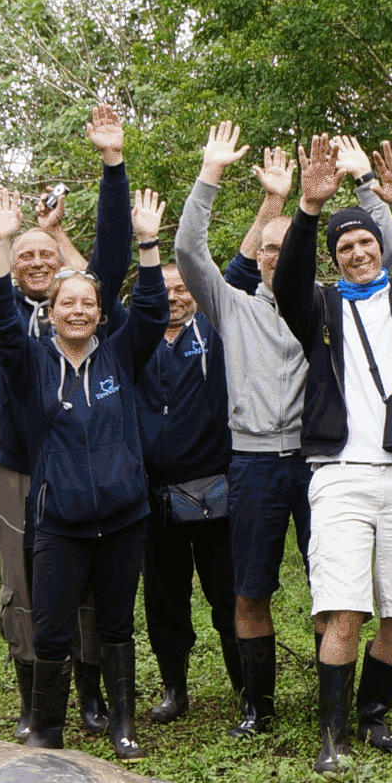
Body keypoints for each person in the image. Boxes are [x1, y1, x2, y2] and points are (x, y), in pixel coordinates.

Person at [174, 132, 392, 736]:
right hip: (251, 465)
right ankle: (258, 705)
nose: (277, 257)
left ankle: (339, 702)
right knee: (251, 589)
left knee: (333, 587)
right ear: (258, 256)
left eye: (286, 249)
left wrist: (365, 187)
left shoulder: (331, 306)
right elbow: (188, 250)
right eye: (267, 250)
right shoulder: (232, 307)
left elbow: (391, 249)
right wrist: (210, 173)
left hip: (321, 465)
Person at [0, 176, 172, 755]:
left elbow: (150, 310)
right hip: (58, 522)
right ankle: (48, 731)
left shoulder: (121, 355)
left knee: (116, 625)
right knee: (51, 630)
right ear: (51, 314)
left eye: (87, 303)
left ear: (100, 313)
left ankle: (123, 728)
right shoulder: (30, 363)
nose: (77, 310)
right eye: (66, 303)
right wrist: (1, 243)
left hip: (124, 518)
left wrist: (147, 245)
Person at [272, 135, 392, 771]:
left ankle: (375, 715)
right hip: (341, 473)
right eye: (345, 246)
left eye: (365, 243)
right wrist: (307, 209)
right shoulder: (319, 306)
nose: (357, 252)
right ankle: (334, 734)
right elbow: (289, 276)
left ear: (381, 250)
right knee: (345, 607)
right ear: (336, 256)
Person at [138, 247, 236, 727]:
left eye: (182, 289)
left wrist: (271, 205)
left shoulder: (217, 331)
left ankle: (246, 687)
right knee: (164, 600)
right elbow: (92, 280)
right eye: (164, 290)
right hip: (154, 494)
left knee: (228, 594)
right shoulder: (133, 337)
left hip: (217, 487)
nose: (173, 298)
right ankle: (175, 690)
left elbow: (238, 267)